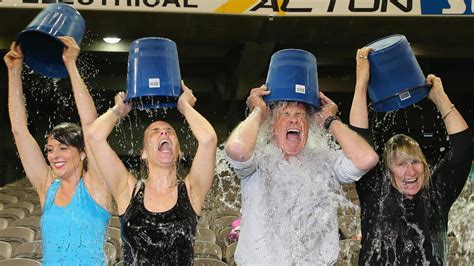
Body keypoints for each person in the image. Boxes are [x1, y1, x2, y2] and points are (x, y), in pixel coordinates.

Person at [224, 85, 379, 264]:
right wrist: (259, 111)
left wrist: (329, 120)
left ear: (308, 126)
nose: (294, 120)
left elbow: (367, 158)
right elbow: (236, 149)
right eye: (286, 114)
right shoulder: (258, 160)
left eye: (300, 115)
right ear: (273, 127)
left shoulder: (324, 160)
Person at [350, 47, 473, 264]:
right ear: (388, 171)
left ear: (425, 166)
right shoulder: (375, 192)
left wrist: (440, 98)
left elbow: (463, 147)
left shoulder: (436, 194)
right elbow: (358, 140)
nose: (410, 171)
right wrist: (361, 83)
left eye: (415, 161)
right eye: (400, 164)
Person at [5, 37, 112, 265]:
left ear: (83, 152)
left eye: (63, 148)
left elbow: (90, 124)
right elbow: (19, 131)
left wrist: (71, 65)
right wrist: (14, 73)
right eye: (51, 149)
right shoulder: (47, 187)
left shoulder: (96, 186)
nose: (55, 155)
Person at [85, 84, 217, 265]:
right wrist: (118, 111)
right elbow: (93, 137)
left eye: (170, 131)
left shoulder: (192, 190)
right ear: (144, 153)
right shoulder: (127, 190)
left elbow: (209, 140)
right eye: (155, 131)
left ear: (178, 151)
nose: (164, 132)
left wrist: (185, 107)